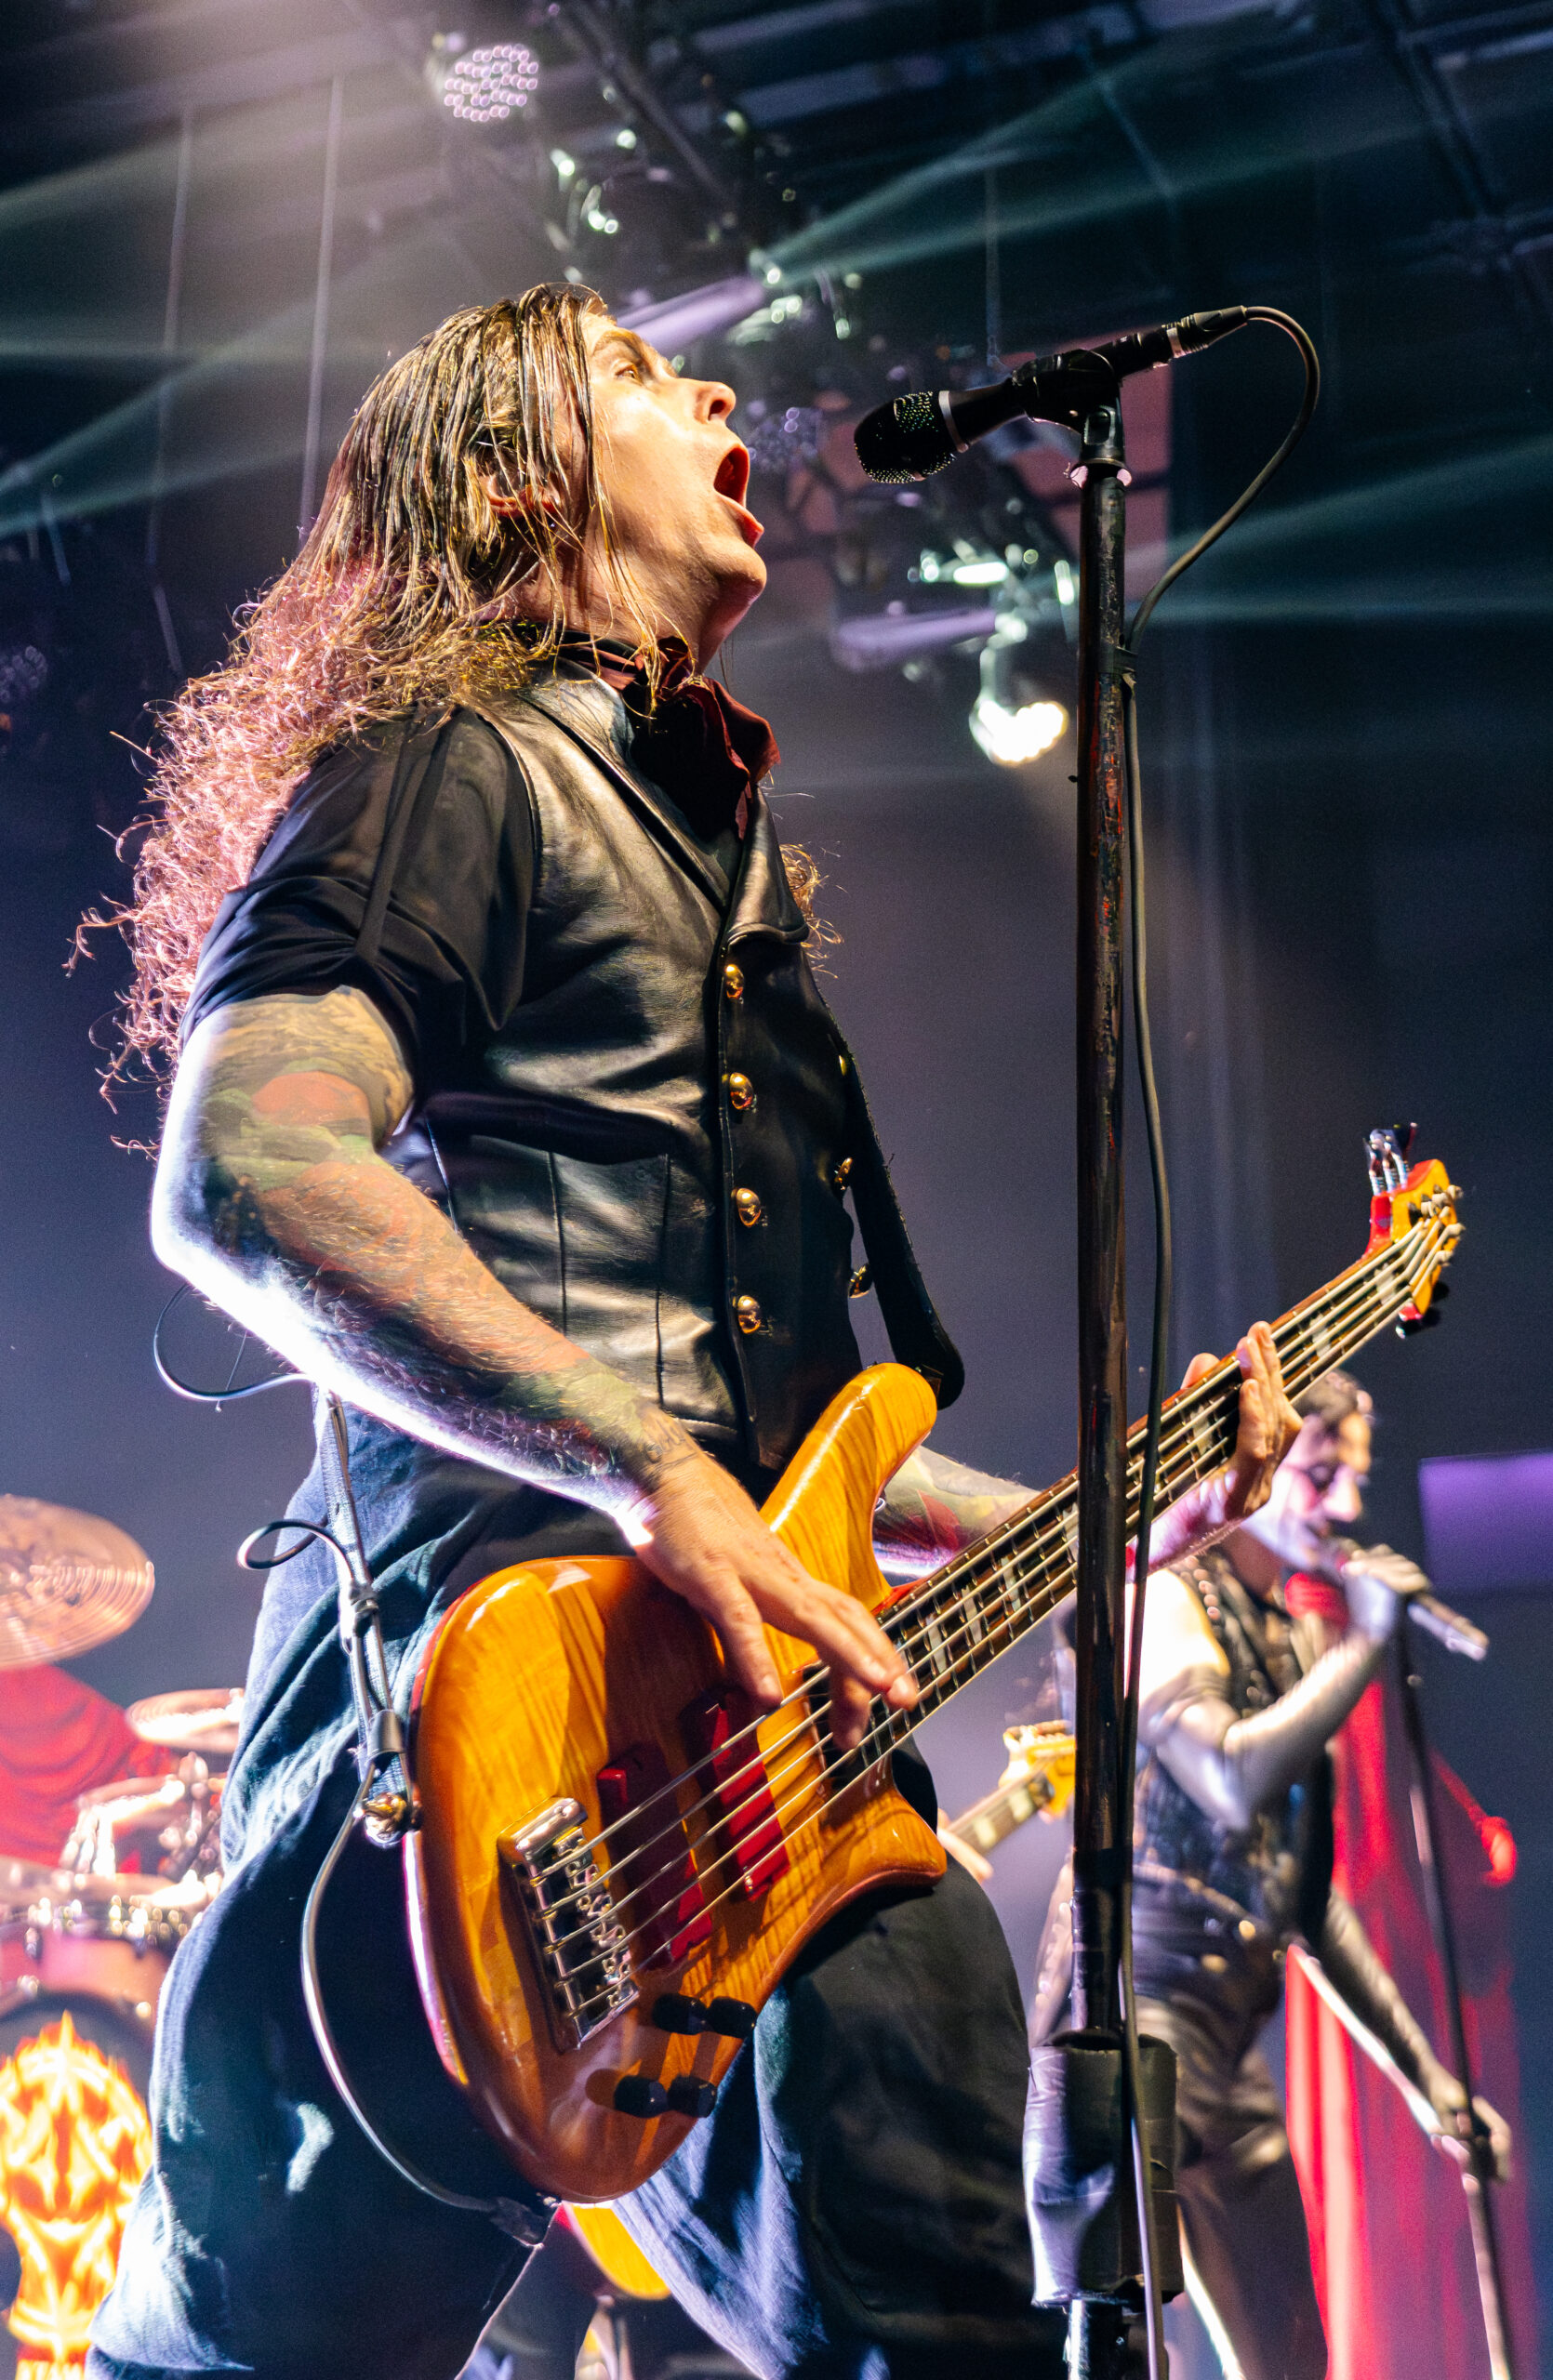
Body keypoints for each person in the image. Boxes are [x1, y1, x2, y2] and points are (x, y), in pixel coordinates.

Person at [87, 285, 1301, 2380]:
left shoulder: (721, 863)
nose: (719, 386)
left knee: (943, 2295)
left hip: (757, 1769)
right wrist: (645, 1471)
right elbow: (248, 1161)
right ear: (515, 481)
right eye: (647, 375)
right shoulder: (458, 768)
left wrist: (1117, 1509)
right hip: (484, 1732)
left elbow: (790, 1452)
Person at [1029, 1368, 1509, 2380]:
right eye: (1322, 1474)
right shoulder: (1164, 1596)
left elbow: (1306, 1899)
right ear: (1251, 1472)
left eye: (1355, 1478)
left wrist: (1430, 2083)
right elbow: (1226, 1776)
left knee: (1292, 2356)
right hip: (1133, 2021)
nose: (1346, 1505)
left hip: (1225, 2053)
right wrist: (1365, 1643)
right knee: (1122, 2347)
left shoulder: (1293, 1638)